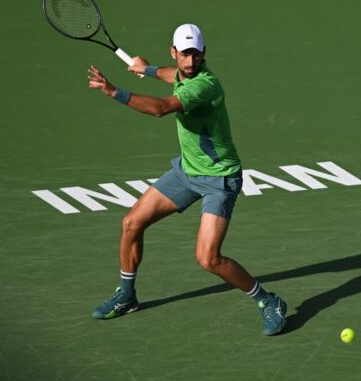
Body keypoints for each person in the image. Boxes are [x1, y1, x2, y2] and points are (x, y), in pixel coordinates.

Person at [86, 23, 287, 336]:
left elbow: (162, 108)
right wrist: (147, 69)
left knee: (208, 258)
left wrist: (115, 91)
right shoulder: (183, 72)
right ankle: (127, 296)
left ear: (204, 54)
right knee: (131, 223)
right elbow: (174, 75)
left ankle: (268, 300)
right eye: (185, 54)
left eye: (196, 54)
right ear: (174, 53)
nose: (190, 61)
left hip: (220, 179)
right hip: (187, 171)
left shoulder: (206, 85)